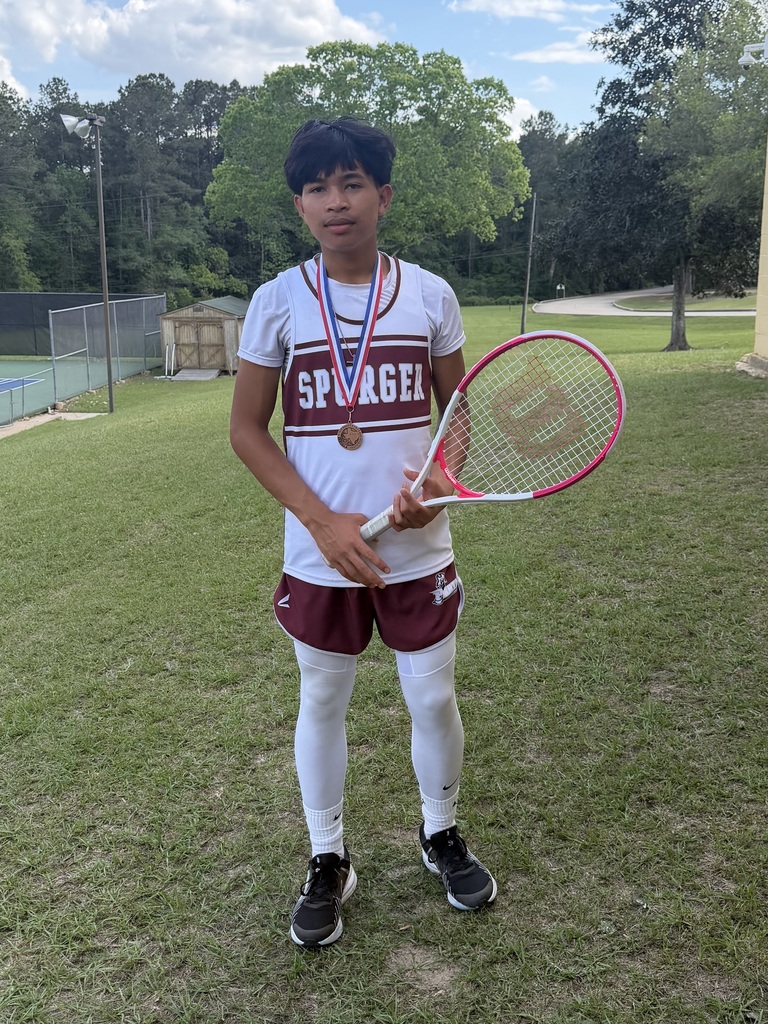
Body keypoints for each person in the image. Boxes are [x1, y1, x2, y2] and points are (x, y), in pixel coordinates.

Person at [230, 116, 497, 948]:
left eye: (351, 183)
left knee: (431, 695)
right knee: (322, 698)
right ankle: (326, 857)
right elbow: (247, 429)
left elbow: (461, 423)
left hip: (417, 547)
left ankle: (441, 833)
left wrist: (440, 487)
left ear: (382, 194)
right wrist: (322, 521)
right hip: (320, 552)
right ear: (300, 206)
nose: (334, 201)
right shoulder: (277, 301)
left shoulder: (429, 294)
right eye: (316, 188)